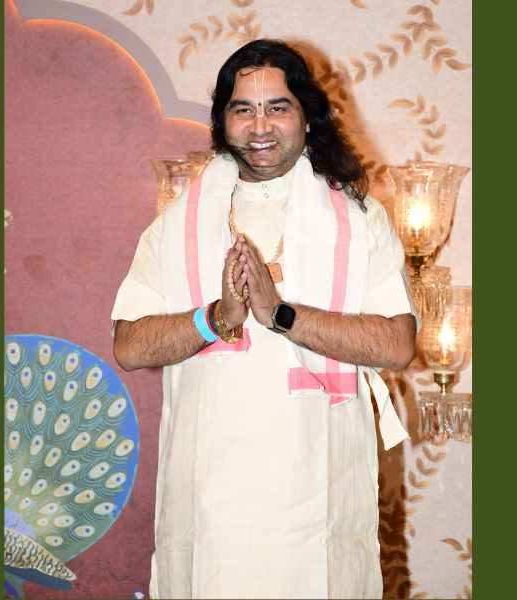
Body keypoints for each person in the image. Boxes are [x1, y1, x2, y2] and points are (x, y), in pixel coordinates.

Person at [111, 39, 416, 600]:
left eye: (278, 107)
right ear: (222, 121)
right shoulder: (176, 225)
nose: (260, 126)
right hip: (210, 514)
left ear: (307, 117)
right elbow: (129, 345)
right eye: (243, 109)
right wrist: (216, 317)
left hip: (317, 507)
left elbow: (396, 344)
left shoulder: (360, 220)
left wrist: (280, 314)